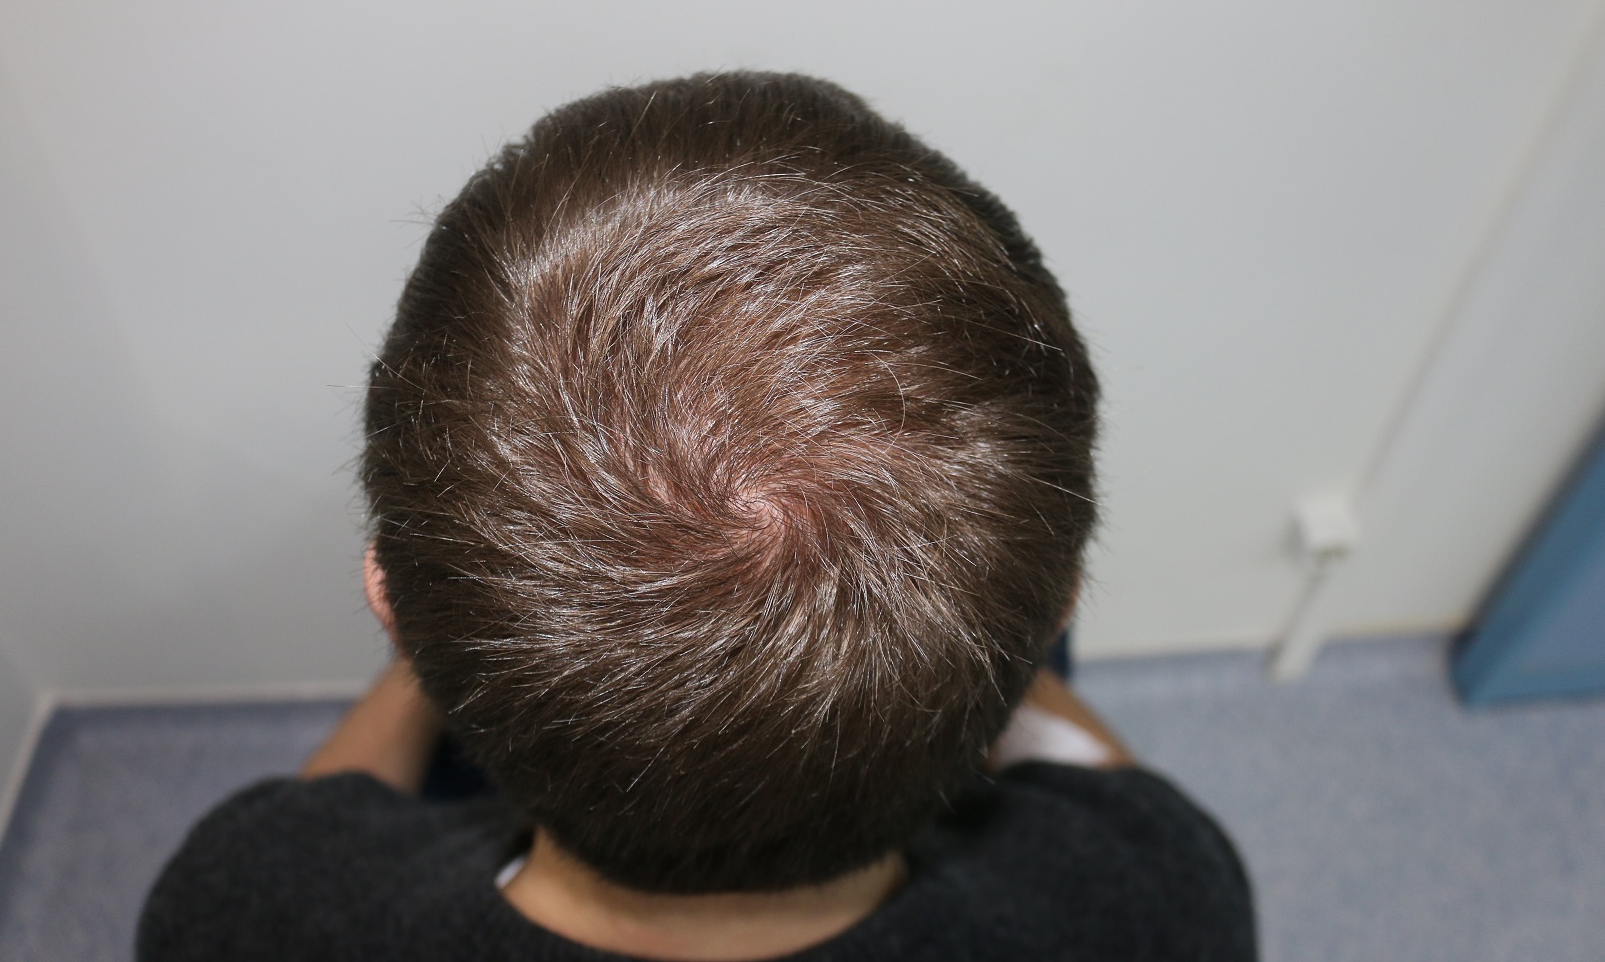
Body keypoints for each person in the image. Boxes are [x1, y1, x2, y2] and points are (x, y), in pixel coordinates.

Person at [138, 72, 1255, 960]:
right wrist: (996, 633)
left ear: (388, 598)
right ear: (1056, 612)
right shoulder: (1159, 904)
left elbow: (319, 819)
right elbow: (1116, 786)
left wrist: (442, 639)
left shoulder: (242, 917)